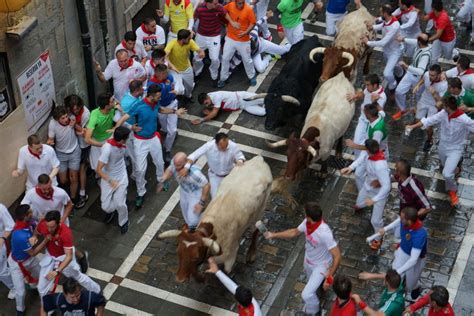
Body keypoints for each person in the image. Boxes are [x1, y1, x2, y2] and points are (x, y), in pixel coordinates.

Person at [265, 202, 341, 315]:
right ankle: (319, 292)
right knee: (312, 287)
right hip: (308, 261)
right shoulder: (307, 223)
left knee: (306, 294)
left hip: (321, 266)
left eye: (305, 214)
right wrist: (273, 235)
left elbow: (338, 256)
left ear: (309, 217)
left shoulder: (325, 233)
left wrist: (329, 278)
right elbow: (294, 232)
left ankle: (314, 312)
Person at [406, 96, 474, 206]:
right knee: (444, 167)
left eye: (443, 104)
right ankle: (456, 168)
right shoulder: (443, 113)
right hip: (443, 146)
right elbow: (428, 121)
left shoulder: (464, 119)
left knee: (447, 174)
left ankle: (452, 191)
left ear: (447, 107)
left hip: (455, 149)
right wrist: (412, 126)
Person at [125, 85, 186, 208]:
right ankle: (140, 192)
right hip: (140, 141)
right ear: (151, 95)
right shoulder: (139, 106)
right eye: (158, 96)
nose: (160, 98)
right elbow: (125, 117)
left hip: (153, 138)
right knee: (140, 169)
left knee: (159, 162)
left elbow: (161, 110)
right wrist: (130, 127)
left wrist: (175, 111)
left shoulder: (156, 103)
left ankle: (161, 180)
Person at [35, 210, 100, 298]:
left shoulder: (65, 233)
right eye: (48, 227)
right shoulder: (43, 224)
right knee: (41, 287)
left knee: (78, 277)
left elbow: (69, 257)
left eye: (52, 227)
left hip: (63, 257)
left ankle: (97, 290)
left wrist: (57, 271)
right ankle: (49, 309)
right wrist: (34, 236)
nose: (49, 230)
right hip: (50, 256)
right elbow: (37, 230)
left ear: (58, 223)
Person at [341, 139, 391, 250]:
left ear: (369, 150)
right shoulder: (368, 153)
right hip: (367, 187)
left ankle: (378, 238)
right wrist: (350, 168)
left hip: (379, 195)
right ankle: (362, 205)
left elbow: (387, 187)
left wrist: (374, 200)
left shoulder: (380, 165)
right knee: (359, 203)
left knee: (375, 221)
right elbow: (360, 160)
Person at [370, 207, 427, 299]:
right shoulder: (404, 221)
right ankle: (394, 297)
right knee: (395, 279)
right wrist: (385, 228)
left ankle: (416, 286)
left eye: (402, 217)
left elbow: (413, 260)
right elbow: (397, 221)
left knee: (410, 286)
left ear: (409, 221)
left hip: (417, 259)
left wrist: (398, 271)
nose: (400, 218)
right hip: (403, 251)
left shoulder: (420, 234)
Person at [8, 205, 47, 315]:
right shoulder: (20, 236)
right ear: (25, 216)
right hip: (17, 264)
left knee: (43, 275)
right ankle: (20, 309)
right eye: (30, 212)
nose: (32, 213)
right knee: (20, 292)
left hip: (29, 259)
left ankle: (35, 287)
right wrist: (46, 241)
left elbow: (35, 228)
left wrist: (41, 222)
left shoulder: (27, 223)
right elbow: (33, 252)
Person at [158, 152, 210, 229]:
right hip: (184, 190)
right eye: (175, 164)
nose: (176, 167)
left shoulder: (195, 174)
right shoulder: (175, 163)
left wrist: (201, 203)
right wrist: (163, 179)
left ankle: (195, 229)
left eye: (178, 165)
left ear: (186, 163)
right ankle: (190, 226)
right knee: (185, 211)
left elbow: (206, 186)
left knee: (193, 218)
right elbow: (170, 169)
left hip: (195, 193)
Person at [345, 103, 389, 190]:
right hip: (370, 151)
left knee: (374, 178)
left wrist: (354, 145)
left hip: (377, 155)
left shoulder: (378, 131)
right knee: (358, 174)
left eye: (364, 112)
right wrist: (376, 103)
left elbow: (372, 148)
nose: (363, 113)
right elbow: (382, 111)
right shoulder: (378, 116)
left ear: (368, 115)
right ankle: (363, 192)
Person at [187, 133, 245, 198]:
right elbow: (194, 155)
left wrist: (240, 161)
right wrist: (186, 167)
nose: (225, 148)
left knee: (233, 196)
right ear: (216, 144)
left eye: (227, 145)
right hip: (215, 177)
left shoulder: (233, 145)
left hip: (230, 175)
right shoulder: (208, 146)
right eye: (223, 147)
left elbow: (240, 156)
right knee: (215, 198)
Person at [96, 127, 131, 234]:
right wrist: (110, 181)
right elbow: (98, 169)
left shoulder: (120, 141)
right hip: (108, 179)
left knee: (120, 203)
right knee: (106, 207)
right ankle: (111, 211)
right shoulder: (107, 149)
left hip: (121, 177)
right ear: (122, 140)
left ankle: (124, 221)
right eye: (127, 138)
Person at [85, 93, 130, 172]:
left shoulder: (114, 108)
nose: (115, 102)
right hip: (99, 143)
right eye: (112, 101)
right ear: (106, 106)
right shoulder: (94, 115)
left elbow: (126, 116)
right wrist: (103, 145)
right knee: (100, 168)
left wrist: (121, 110)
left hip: (111, 138)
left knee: (113, 165)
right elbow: (87, 139)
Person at [346, 74, 387, 159]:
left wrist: (374, 102)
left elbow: (377, 111)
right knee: (357, 141)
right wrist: (355, 96)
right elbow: (363, 93)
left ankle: (365, 159)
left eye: (368, 85)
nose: (366, 86)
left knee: (367, 144)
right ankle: (358, 160)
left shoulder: (381, 96)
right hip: (362, 120)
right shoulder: (369, 89)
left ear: (375, 85)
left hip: (370, 122)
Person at [218, 0, 257, 88]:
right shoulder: (230, 5)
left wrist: (246, 32)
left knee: (247, 60)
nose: (241, 5)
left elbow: (252, 23)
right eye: (239, 3)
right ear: (235, 2)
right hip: (230, 38)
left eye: (243, 2)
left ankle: (252, 76)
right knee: (225, 58)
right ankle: (223, 78)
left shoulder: (248, 9)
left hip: (243, 41)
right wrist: (230, 22)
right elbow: (222, 11)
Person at [393, 32, 432, 120]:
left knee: (419, 96)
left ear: (420, 42)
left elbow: (420, 71)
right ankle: (402, 109)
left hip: (419, 79)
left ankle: (420, 114)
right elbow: (414, 41)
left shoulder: (425, 55)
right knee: (399, 91)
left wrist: (406, 66)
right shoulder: (421, 44)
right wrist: (403, 39)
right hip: (410, 74)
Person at [47, 106, 81, 206]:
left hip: (74, 151)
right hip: (61, 154)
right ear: (57, 119)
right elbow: (51, 138)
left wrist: (74, 125)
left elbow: (82, 130)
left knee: (73, 178)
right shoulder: (53, 124)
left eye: (66, 116)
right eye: (63, 118)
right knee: (63, 180)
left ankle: (74, 199)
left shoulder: (71, 118)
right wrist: (49, 143)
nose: (66, 119)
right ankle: (67, 197)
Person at [364, 4, 403, 92]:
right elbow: (383, 26)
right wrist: (372, 27)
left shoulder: (395, 26)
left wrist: (368, 42)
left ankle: (393, 86)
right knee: (396, 67)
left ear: (385, 13)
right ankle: (400, 75)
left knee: (387, 73)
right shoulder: (387, 19)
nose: (380, 13)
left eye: (381, 12)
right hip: (387, 50)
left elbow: (383, 42)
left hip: (395, 52)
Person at [411, 64, 448, 151]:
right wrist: (417, 86)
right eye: (430, 74)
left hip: (433, 105)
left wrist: (434, 94)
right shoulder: (427, 74)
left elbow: (440, 103)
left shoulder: (444, 85)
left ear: (439, 74)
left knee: (428, 126)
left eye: (433, 75)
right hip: (424, 99)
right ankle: (421, 121)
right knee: (417, 119)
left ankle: (429, 140)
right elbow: (423, 79)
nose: (430, 77)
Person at [147, 64, 179, 161]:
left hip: (172, 104)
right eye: (164, 73)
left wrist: (175, 91)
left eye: (167, 72)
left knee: (172, 130)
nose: (167, 74)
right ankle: (168, 136)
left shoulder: (169, 77)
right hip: (161, 108)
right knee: (165, 129)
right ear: (157, 73)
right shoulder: (151, 84)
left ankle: (167, 150)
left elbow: (173, 86)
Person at [193, 0, 228, 83]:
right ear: (209, 3)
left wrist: (230, 25)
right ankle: (197, 73)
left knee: (215, 58)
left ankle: (214, 76)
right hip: (201, 36)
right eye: (215, 3)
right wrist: (190, 29)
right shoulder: (200, 8)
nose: (217, 4)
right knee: (196, 57)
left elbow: (226, 16)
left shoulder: (219, 7)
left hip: (214, 37)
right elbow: (194, 19)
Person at [64, 94, 90, 209]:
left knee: (81, 168)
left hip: (83, 144)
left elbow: (86, 132)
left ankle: (83, 193)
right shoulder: (69, 113)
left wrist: (77, 127)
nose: (75, 111)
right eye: (73, 109)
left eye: (77, 109)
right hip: (73, 145)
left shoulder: (86, 114)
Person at [165, 29, 205, 101]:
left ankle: (188, 96)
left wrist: (201, 53)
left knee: (189, 86)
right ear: (183, 39)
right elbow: (165, 56)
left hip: (186, 68)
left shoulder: (190, 42)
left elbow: (200, 50)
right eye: (189, 38)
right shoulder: (172, 43)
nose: (190, 39)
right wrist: (172, 67)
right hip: (174, 71)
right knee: (177, 88)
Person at [41, 277, 106, 316]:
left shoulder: (89, 296)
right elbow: (44, 307)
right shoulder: (58, 299)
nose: (76, 299)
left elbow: (101, 303)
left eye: (77, 295)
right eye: (72, 297)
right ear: (65, 294)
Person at [192, 90, 266, 125]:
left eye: (206, 103)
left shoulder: (216, 97)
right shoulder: (209, 97)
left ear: (207, 97)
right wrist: (210, 112)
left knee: (265, 99)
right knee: (263, 112)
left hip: (243, 97)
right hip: (243, 106)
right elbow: (215, 110)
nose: (207, 105)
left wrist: (202, 120)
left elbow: (214, 113)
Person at [120, 80, 144, 179]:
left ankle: (135, 173)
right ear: (137, 91)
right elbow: (121, 120)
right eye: (141, 88)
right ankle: (136, 175)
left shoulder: (134, 96)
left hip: (136, 129)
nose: (143, 89)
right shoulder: (127, 104)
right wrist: (131, 127)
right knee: (135, 156)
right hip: (130, 133)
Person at [0, 203, 15, 300]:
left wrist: (2, 239)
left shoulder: (0, 208)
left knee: (1, 271)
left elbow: (10, 225)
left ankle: (14, 287)